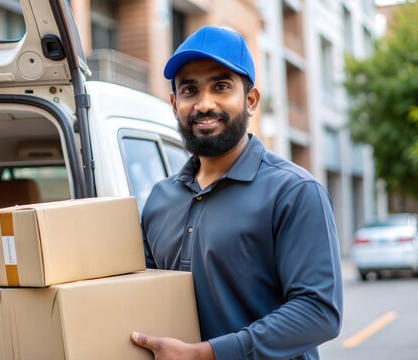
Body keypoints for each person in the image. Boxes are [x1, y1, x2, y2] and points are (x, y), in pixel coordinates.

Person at [130, 25, 343, 360]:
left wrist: (207, 354)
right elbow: (141, 300)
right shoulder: (159, 200)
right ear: (174, 104)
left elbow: (318, 313)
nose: (204, 104)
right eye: (189, 90)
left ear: (251, 100)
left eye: (221, 86)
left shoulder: (295, 192)